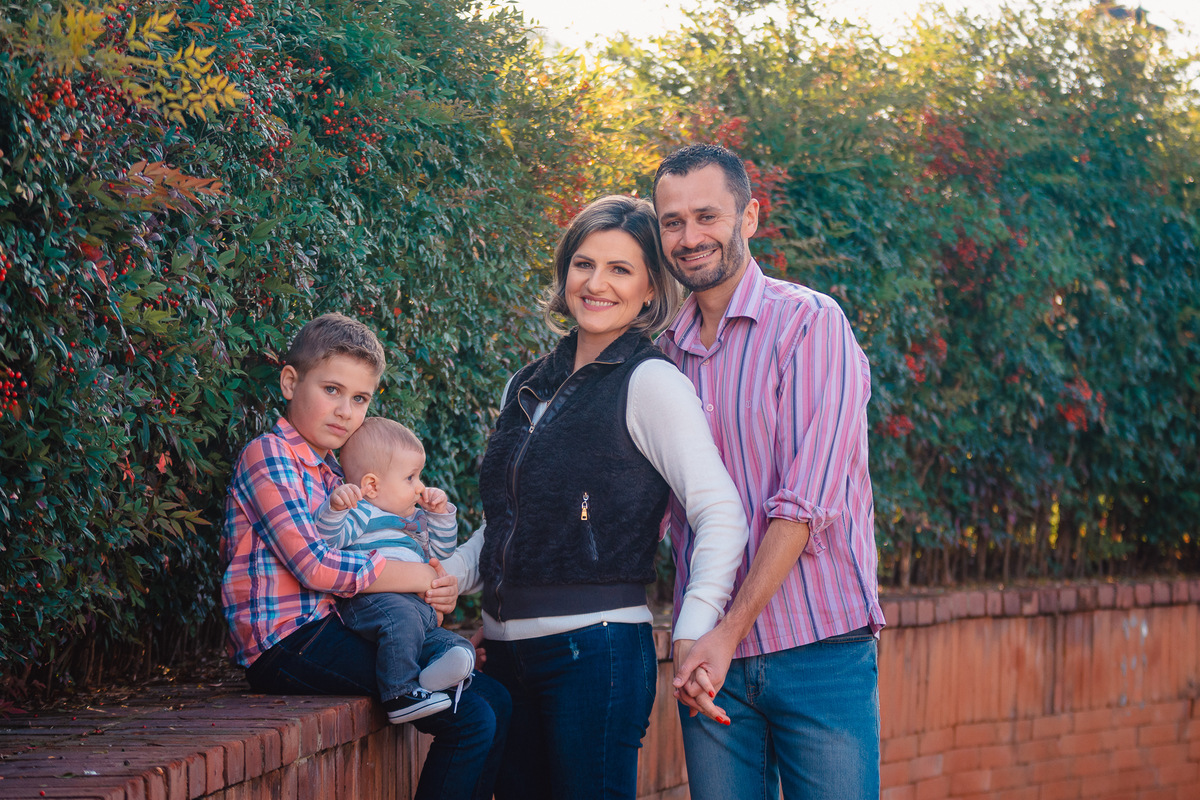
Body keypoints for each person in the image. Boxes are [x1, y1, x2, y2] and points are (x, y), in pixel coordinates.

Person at [443, 195, 749, 800]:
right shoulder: (526, 383)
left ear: (649, 289)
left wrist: (691, 630)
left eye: (620, 269)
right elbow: (507, 522)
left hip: (595, 654)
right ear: (565, 273)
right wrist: (445, 576)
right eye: (584, 264)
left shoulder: (651, 382)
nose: (596, 283)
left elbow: (721, 513)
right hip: (504, 658)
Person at [653, 143, 886, 799]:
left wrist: (727, 632)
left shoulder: (810, 324)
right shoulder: (662, 354)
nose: (690, 237)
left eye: (707, 216)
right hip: (711, 661)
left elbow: (806, 503)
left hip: (818, 650)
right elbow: (651, 511)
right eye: (673, 222)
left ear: (749, 217)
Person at [220, 312, 510, 800]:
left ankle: (443, 660)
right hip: (287, 642)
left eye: (359, 399)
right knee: (471, 718)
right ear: (290, 382)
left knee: (495, 698)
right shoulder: (269, 455)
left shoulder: (339, 474)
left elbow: (385, 547)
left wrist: (431, 587)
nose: (344, 411)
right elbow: (314, 566)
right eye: (331, 390)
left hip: (339, 628)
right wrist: (419, 578)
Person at [314, 416, 477, 724]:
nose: (420, 487)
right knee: (402, 620)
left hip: (415, 609)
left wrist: (441, 515)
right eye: (410, 478)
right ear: (372, 486)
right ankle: (400, 694)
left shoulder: (414, 519)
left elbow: (442, 553)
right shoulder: (361, 512)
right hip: (374, 603)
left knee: (454, 645)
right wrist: (335, 509)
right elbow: (327, 543)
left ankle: (434, 678)